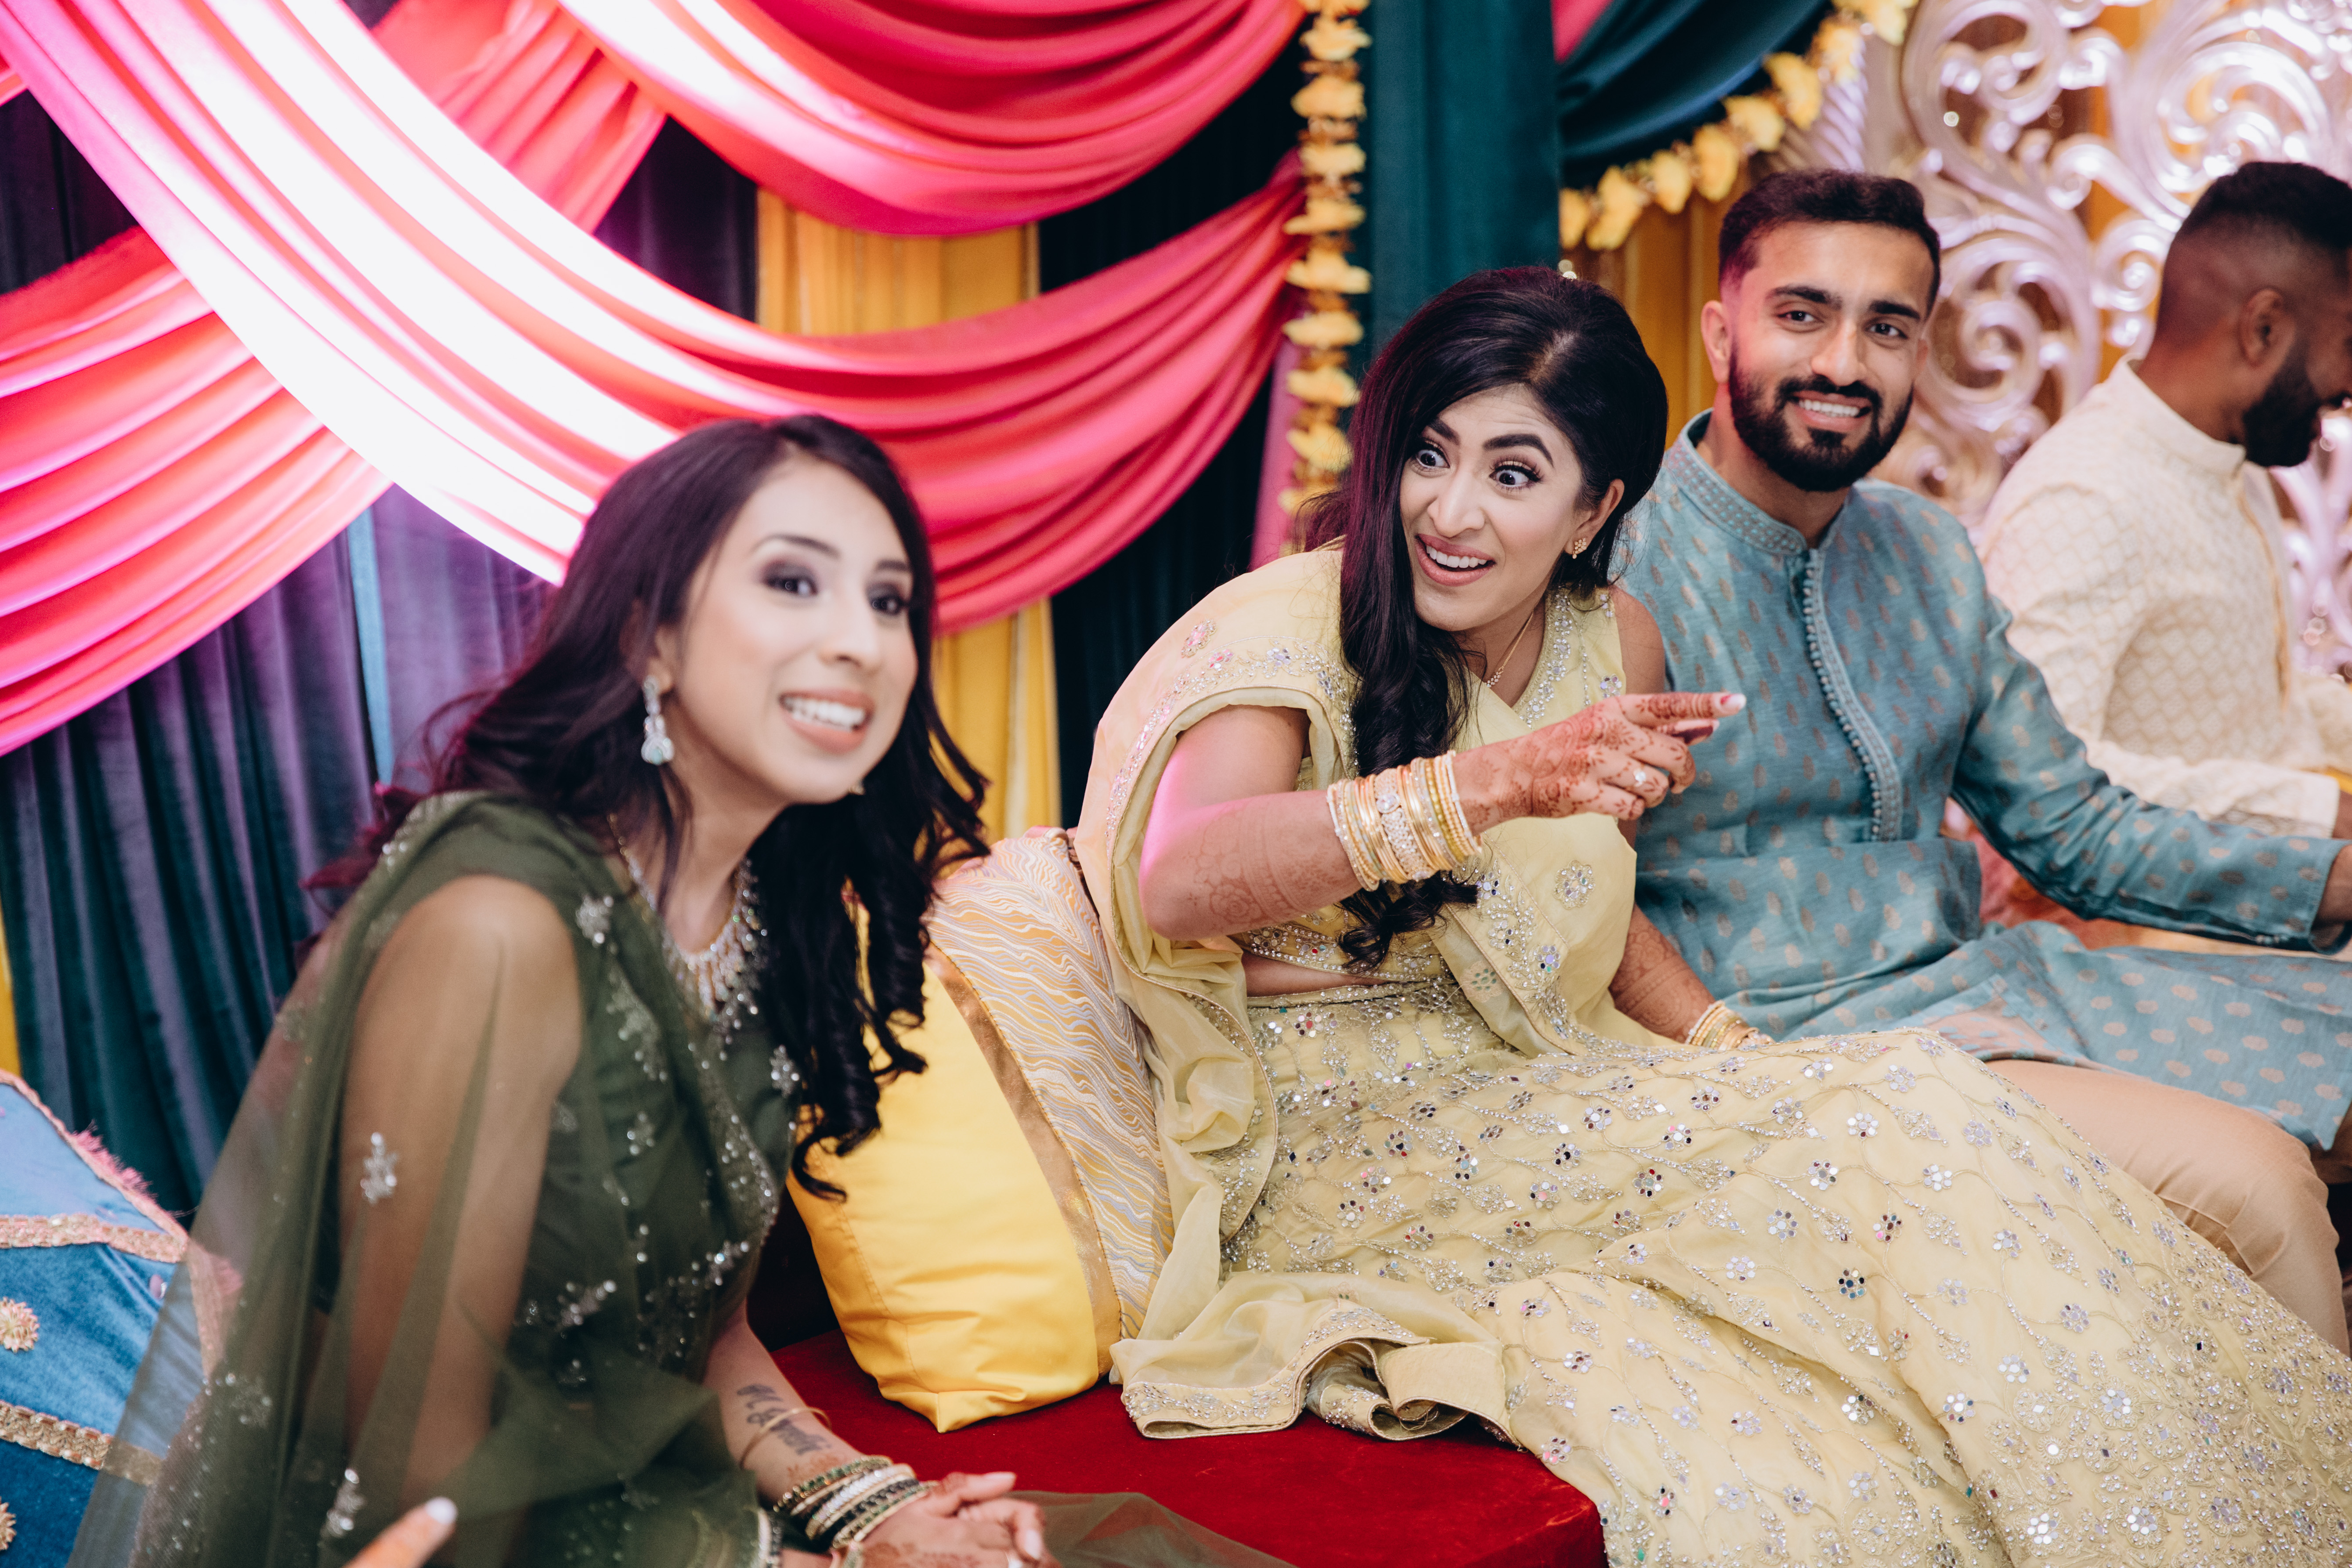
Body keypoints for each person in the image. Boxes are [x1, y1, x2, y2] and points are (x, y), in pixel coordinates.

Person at [1076, 267, 2352, 1565]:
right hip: (1341, 1150)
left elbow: (1593, 918)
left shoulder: (1608, 639)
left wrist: (1733, 1057)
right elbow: (1178, 876)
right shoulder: (1297, 619)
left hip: (1545, 1083)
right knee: (1888, 1138)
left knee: (1912, 1110)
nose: (1449, 512)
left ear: (1593, 510)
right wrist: (1494, 781)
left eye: (1512, 474)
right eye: (1427, 454)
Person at [72, 418, 1268, 1568]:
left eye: (887, 600)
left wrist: (871, 1508)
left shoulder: (767, 924)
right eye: (792, 582)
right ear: (648, 635)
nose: (858, 640)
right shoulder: (497, 924)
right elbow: (418, 1473)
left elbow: (700, 1332)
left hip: (649, 1515)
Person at [1616, 168, 2352, 1351]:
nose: (1844, 362)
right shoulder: (1619, 558)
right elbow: (1570, 896)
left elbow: (2076, 831)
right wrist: (1720, 1054)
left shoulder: (1924, 554)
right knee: (2255, 1186)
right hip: (1795, 1044)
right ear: (1719, 331)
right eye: (1802, 315)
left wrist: (2330, 881)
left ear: (1920, 350)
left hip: (1980, 989)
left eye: (1886, 327)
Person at [1981, 162, 2352, 839]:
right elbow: (2035, 775)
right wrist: (2324, 814)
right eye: (2351, 342)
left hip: (2271, 888)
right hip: (2157, 912)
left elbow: (2258, 711)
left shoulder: (2231, 461)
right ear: (2263, 329)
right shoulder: (2083, 497)